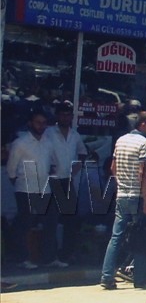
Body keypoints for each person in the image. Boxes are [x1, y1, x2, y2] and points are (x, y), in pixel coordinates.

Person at [99, 111, 146, 289]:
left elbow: (113, 168)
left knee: (116, 236)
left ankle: (107, 275)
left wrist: (121, 186)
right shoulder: (144, 144)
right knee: (141, 236)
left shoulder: (121, 140)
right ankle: (141, 279)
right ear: (143, 125)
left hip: (122, 194)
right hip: (137, 196)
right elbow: (143, 173)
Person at [6, 108, 60, 269]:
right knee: (25, 223)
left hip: (45, 189)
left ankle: (49, 258)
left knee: (51, 222)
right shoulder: (20, 143)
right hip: (25, 189)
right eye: (38, 122)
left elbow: (52, 164)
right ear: (30, 123)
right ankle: (22, 258)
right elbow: (11, 170)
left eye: (44, 123)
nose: (41, 126)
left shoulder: (48, 143)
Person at [46, 100, 88, 264]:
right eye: (62, 114)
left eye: (68, 115)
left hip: (67, 181)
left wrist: (79, 163)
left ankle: (67, 254)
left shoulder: (74, 134)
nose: (65, 117)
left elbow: (83, 152)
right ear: (57, 116)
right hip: (51, 181)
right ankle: (51, 256)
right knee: (51, 220)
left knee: (71, 220)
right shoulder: (49, 132)